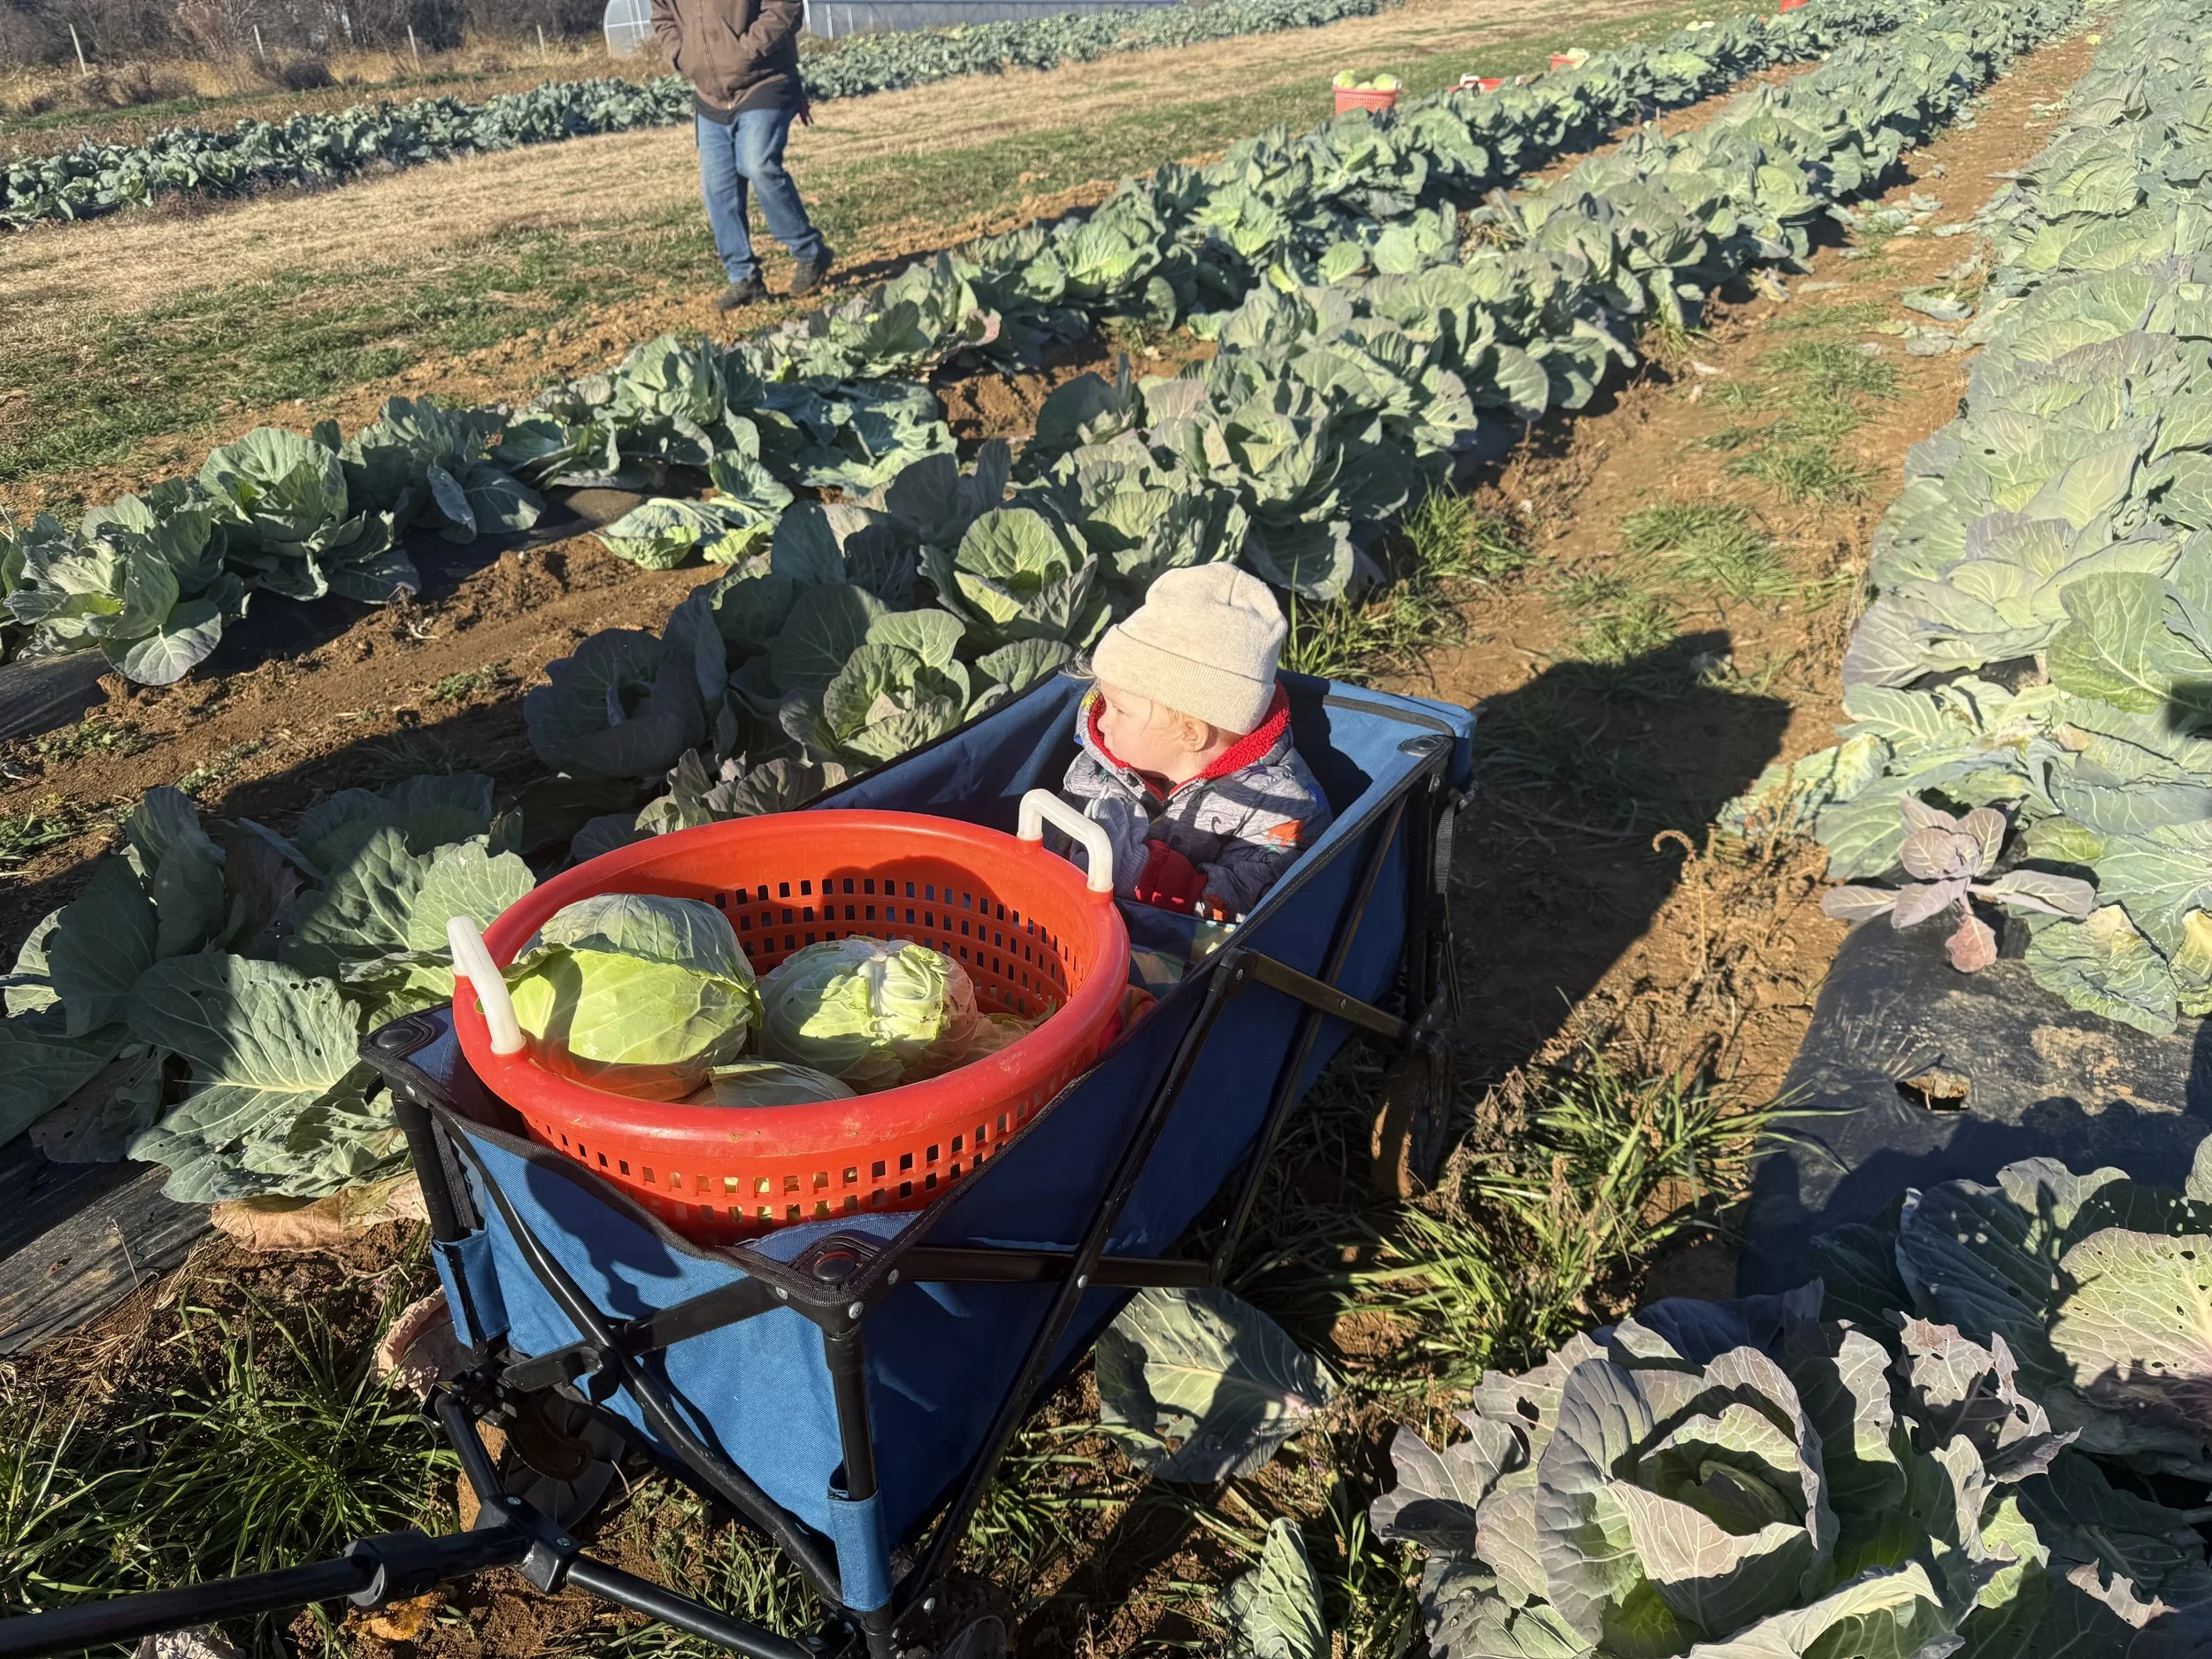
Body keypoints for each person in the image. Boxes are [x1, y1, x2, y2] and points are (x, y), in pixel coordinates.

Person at [1062, 565, 1333, 921]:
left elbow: (1244, 907)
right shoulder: (1103, 759)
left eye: (1120, 710)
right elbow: (1051, 825)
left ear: (1192, 733)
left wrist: (1142, 875)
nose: (1101, 720)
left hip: (1165, 960)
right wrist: (1067, 852)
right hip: (1070, 919)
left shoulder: (1281, 808)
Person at [651, 0, 833, 311]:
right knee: (717, 188)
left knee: (757, 163)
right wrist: (681, 55)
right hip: (710, 95)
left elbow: (785, 6)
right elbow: (662, 15)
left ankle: (808, 251)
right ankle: (744, 278)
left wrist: (746, 51)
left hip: (764, 80)